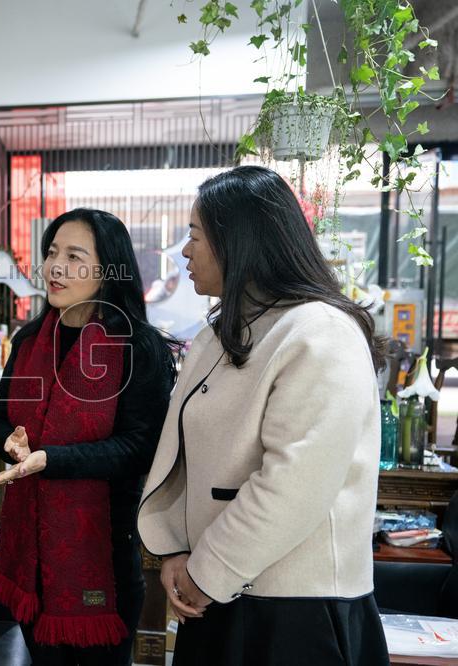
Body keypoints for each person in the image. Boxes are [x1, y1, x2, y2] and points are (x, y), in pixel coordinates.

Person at [137, 165, 389, 665]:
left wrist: (206, 571)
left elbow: (295, 483)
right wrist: (175, 551)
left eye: (195, 236)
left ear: (240, 241)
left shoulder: (320, 332)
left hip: (294, 609)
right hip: (217, 591)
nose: (185, 251)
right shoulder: (220, 335)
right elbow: (188, 457)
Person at [0, 208, 177, 665]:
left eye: (74, 256)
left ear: (108, 270)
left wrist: (51, 460)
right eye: (52, 253)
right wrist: (10, 444)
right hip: (29, 560)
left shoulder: (136, 347)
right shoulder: (29, 341)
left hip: (103, 555)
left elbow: (141, 448)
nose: (56, 267)